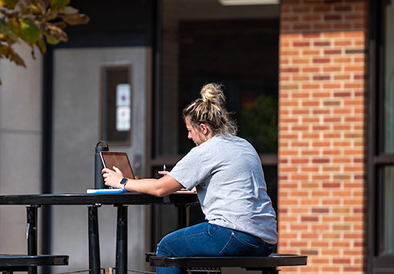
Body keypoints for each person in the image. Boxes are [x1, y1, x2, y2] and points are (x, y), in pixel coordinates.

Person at [103, 83, 277, 274]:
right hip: (265, 239)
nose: (188, 136)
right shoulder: (243, 145)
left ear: (203, 128)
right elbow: (233, 183)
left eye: (189, 130)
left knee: (167, 249)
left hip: (234, 235)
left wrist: (122, 182)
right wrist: (188, 182)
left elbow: (160, 189)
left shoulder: (206, 151)